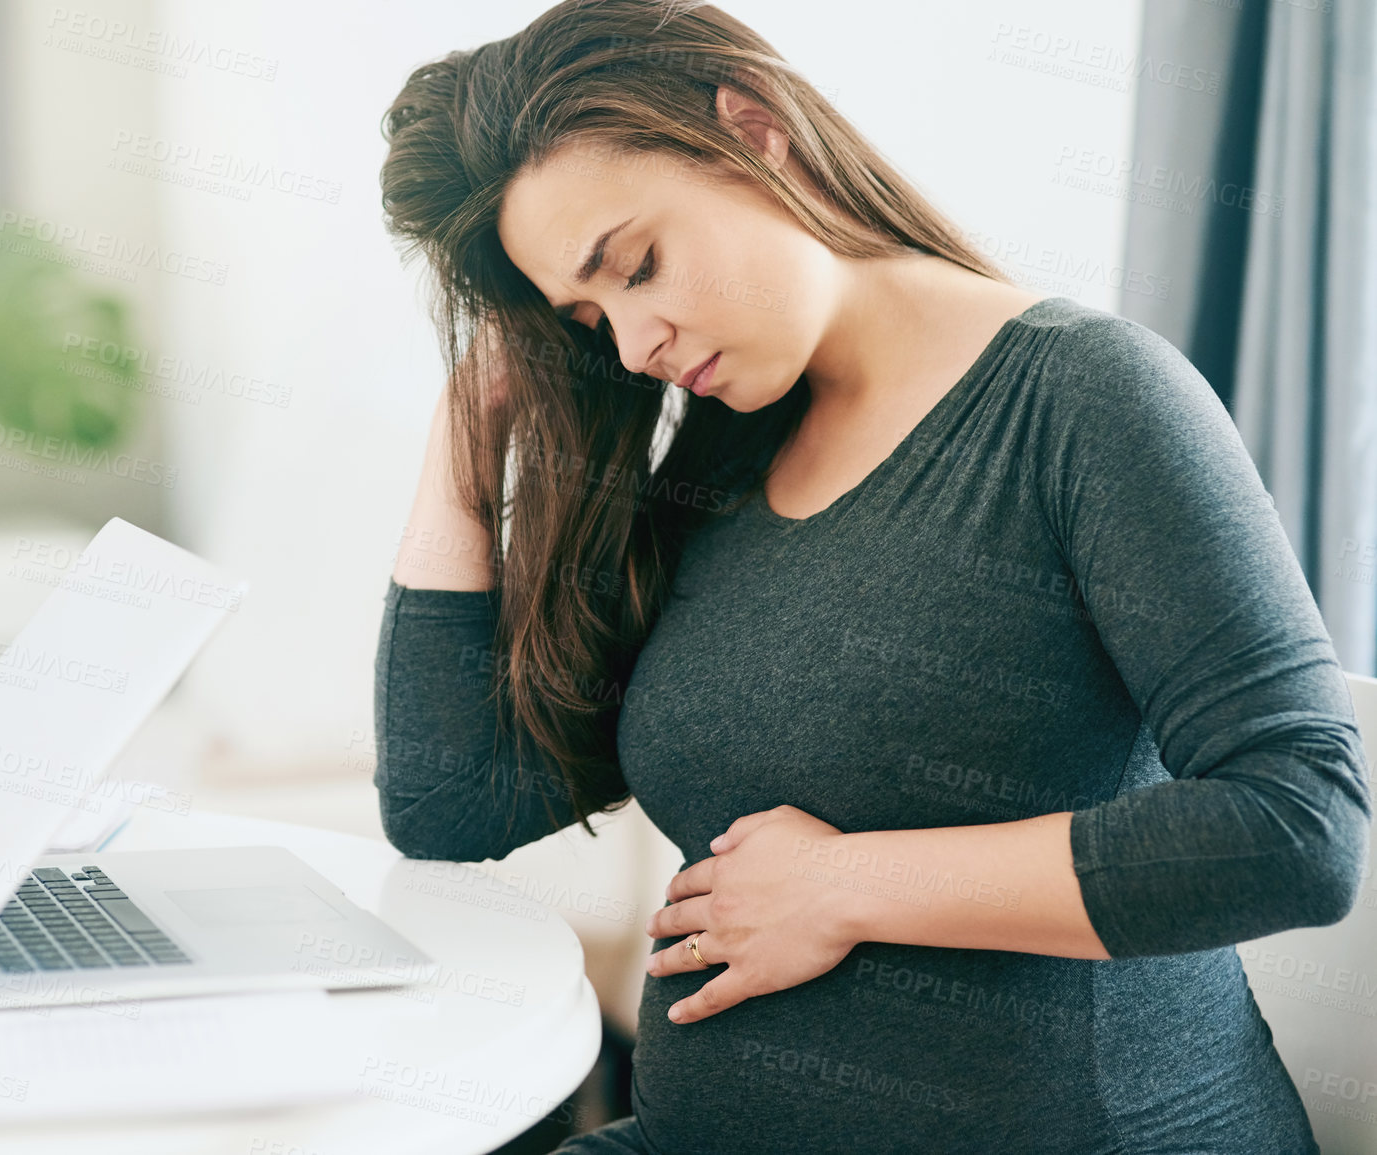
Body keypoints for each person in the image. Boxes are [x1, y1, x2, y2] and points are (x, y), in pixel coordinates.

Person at [372, 1, 1372, 1150]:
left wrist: (844, 885)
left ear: (754, 132)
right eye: (591, 317)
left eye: (639, 265)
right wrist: (467, 431)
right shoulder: (720, 456)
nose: (633, 342)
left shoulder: (1085, 401)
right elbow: (452, 802)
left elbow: (1299, 825)